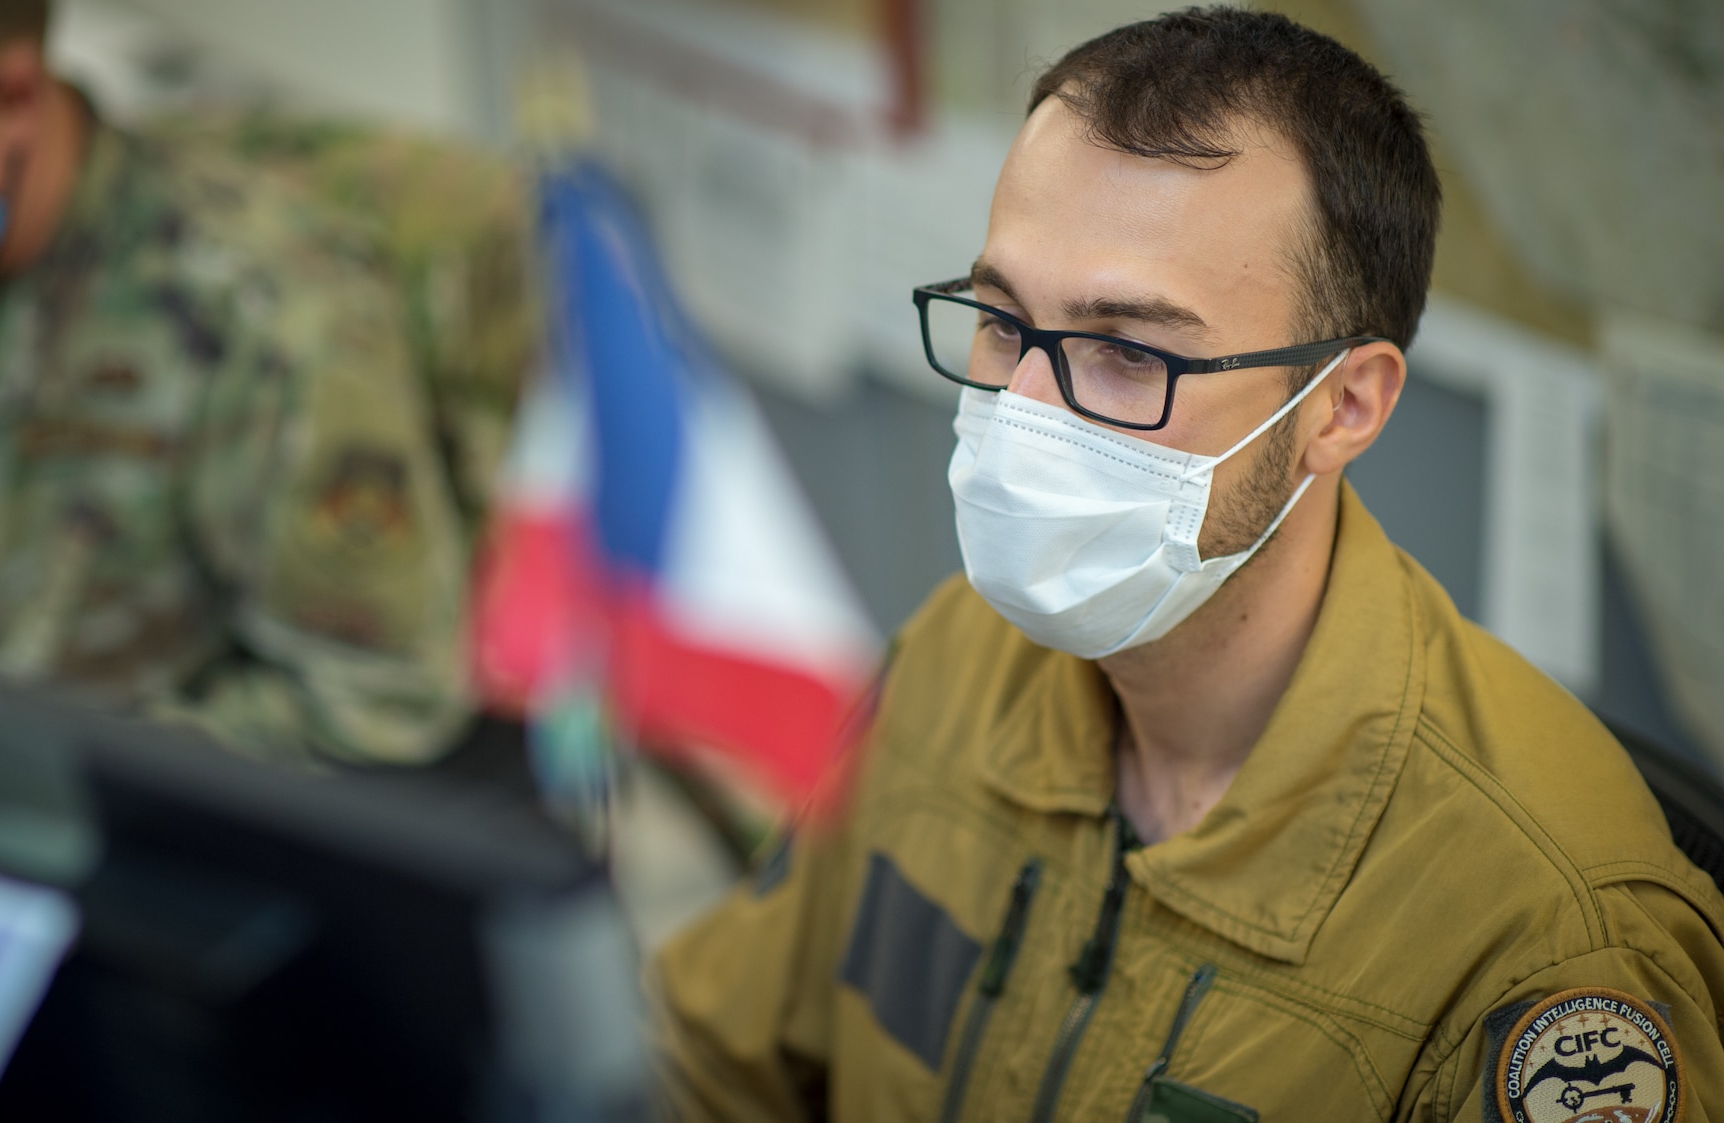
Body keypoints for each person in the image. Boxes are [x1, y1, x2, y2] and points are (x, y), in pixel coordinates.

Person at [654, 9, 1724, 1120]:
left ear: (1342, 406)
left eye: (1126, 352)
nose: (1020, 415)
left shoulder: (1547, 940)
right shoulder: (957, 657)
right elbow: (722, 1058)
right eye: (1002, 321)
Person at [0, 0, 535, 764]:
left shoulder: (262, 322)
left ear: (9, 97)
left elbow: (379, 704)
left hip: (125, 841)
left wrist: (63, 780)